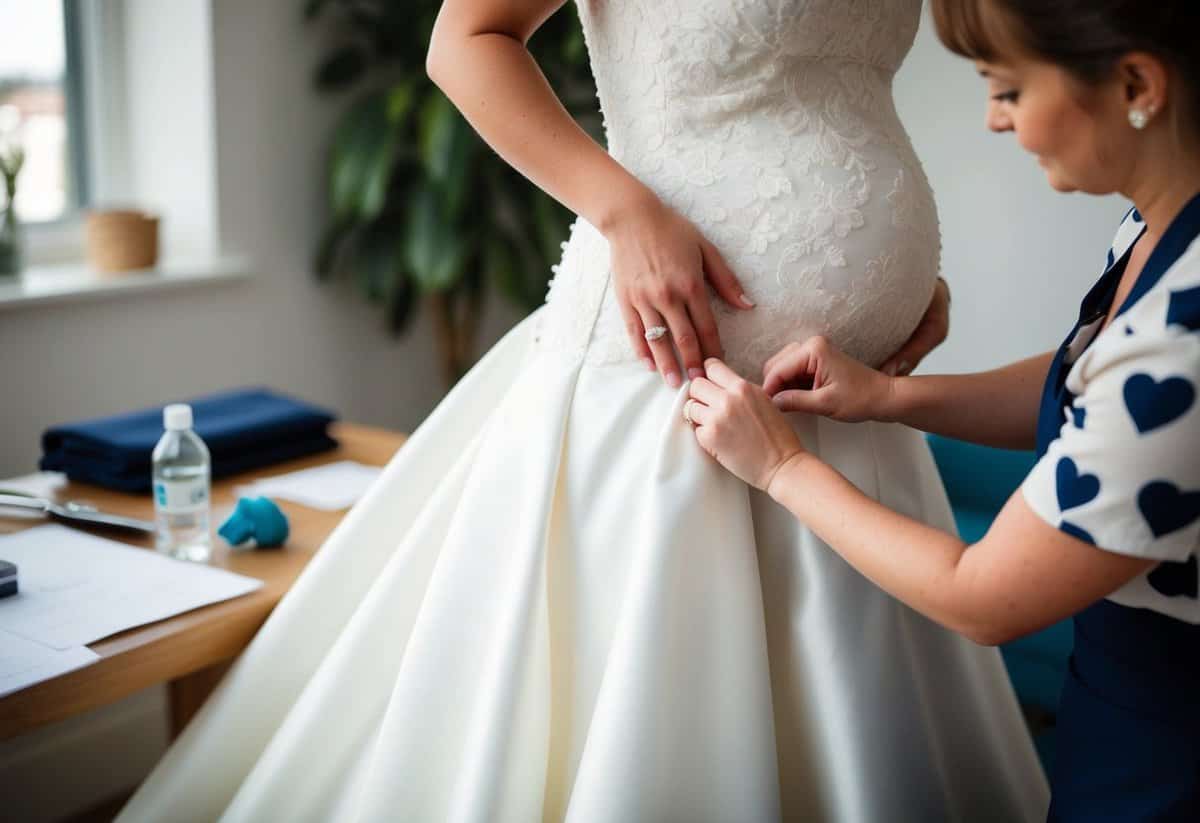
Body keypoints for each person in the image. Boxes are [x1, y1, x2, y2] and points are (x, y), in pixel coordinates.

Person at [116, 2, 1047, 821]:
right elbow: (464, 40)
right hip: (665, 380)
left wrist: (895, 272)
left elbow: (830, 100)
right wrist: (622, 210)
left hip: (845, 407)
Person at [687, 1, 1200, 820]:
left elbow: (983, 598)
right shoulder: (1160, 228)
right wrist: (889, 398)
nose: (996, 121)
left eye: (1008, 90)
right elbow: (1094, 383)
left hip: (1164, 754)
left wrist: (783, 467)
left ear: (1137, 83)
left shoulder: (1186, 343)